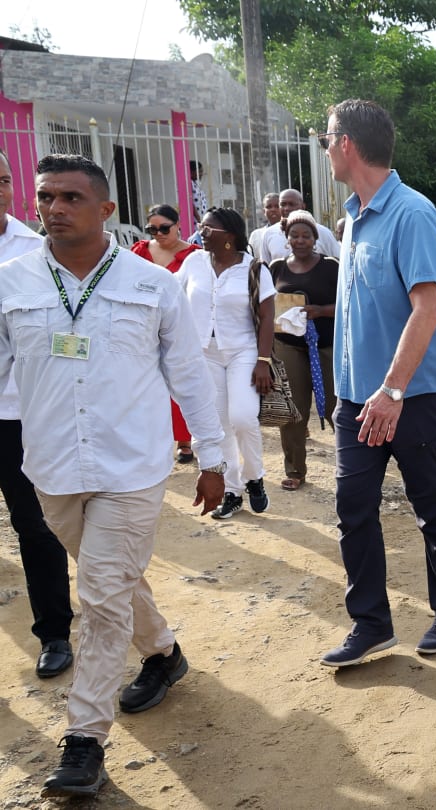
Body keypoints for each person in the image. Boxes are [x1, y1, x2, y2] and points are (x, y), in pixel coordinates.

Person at [0, 153, 226, 799]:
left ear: (106, 211)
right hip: (50, 465)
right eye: (46, 196)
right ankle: (162, 652)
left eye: (71, 197)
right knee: (114, 580)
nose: (54, 208)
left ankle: (83, 742)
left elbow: (189, 374)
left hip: (131, 464)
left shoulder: (152, 284)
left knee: (98, 594)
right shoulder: (11, 282)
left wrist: (213, 461)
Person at [319, 99, 436, 666]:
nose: (326, 149)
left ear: (348, 144)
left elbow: (426, 308)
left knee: (430, 502)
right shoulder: (354, 217)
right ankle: (370, 624)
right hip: (360, 399)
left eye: (327, 138)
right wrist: (351, 390)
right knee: (351, 505)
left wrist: (393, 390)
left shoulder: (412, 213)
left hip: (412, 396)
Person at [0, 148, 74, 680]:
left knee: (35, 526)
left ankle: (54, 632)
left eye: (2, 180)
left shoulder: (37, 251)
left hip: (17, 414)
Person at [176, 207, 274, 520]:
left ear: (229, 236)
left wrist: (263, 360)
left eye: (208, 228)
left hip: (243, 351)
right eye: (200, 227)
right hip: (204, 353)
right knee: (220, 428)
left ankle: (254, 476)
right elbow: (172, 298)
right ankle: (233, 491)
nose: (201, 232)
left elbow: (268, 316)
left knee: (243, 417)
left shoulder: (253, 268)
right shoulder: (193, 263)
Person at [267, 209, 339, 491]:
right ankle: (295, 469)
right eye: (294, 235)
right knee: (293, 409)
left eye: (305, 235)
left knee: (337, 408)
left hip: (325, 345)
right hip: (288, 347)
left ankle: (355, 465)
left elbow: (350, 304)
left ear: (315, 238)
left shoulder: (331, 266)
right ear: (287, 238)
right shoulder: (276, 268)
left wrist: (321, 311)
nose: (300, 240)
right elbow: (265, 305)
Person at [131, 203, 201, 462]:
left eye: (164, 228)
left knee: (180, 380)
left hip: (180, 325)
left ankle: (185, 440)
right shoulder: (139, 251)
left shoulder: (195, 255)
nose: (158, 234)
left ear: (178, 225)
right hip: (143, 326)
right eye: (152, 229)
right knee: (147, 384)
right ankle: (151, 440)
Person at [256, 188, 342, 263]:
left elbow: (338, 261)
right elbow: (266, 269)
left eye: (291, 204)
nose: (286, 208)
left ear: (303, 206)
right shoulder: (269, 234)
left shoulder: (323, 232)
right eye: (283, 204)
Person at [248, 192, 280, 256]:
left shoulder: (290, 233)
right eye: (269, 207)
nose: (273, 209)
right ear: (264, 211)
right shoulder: (256, 235)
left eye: (277, 206)